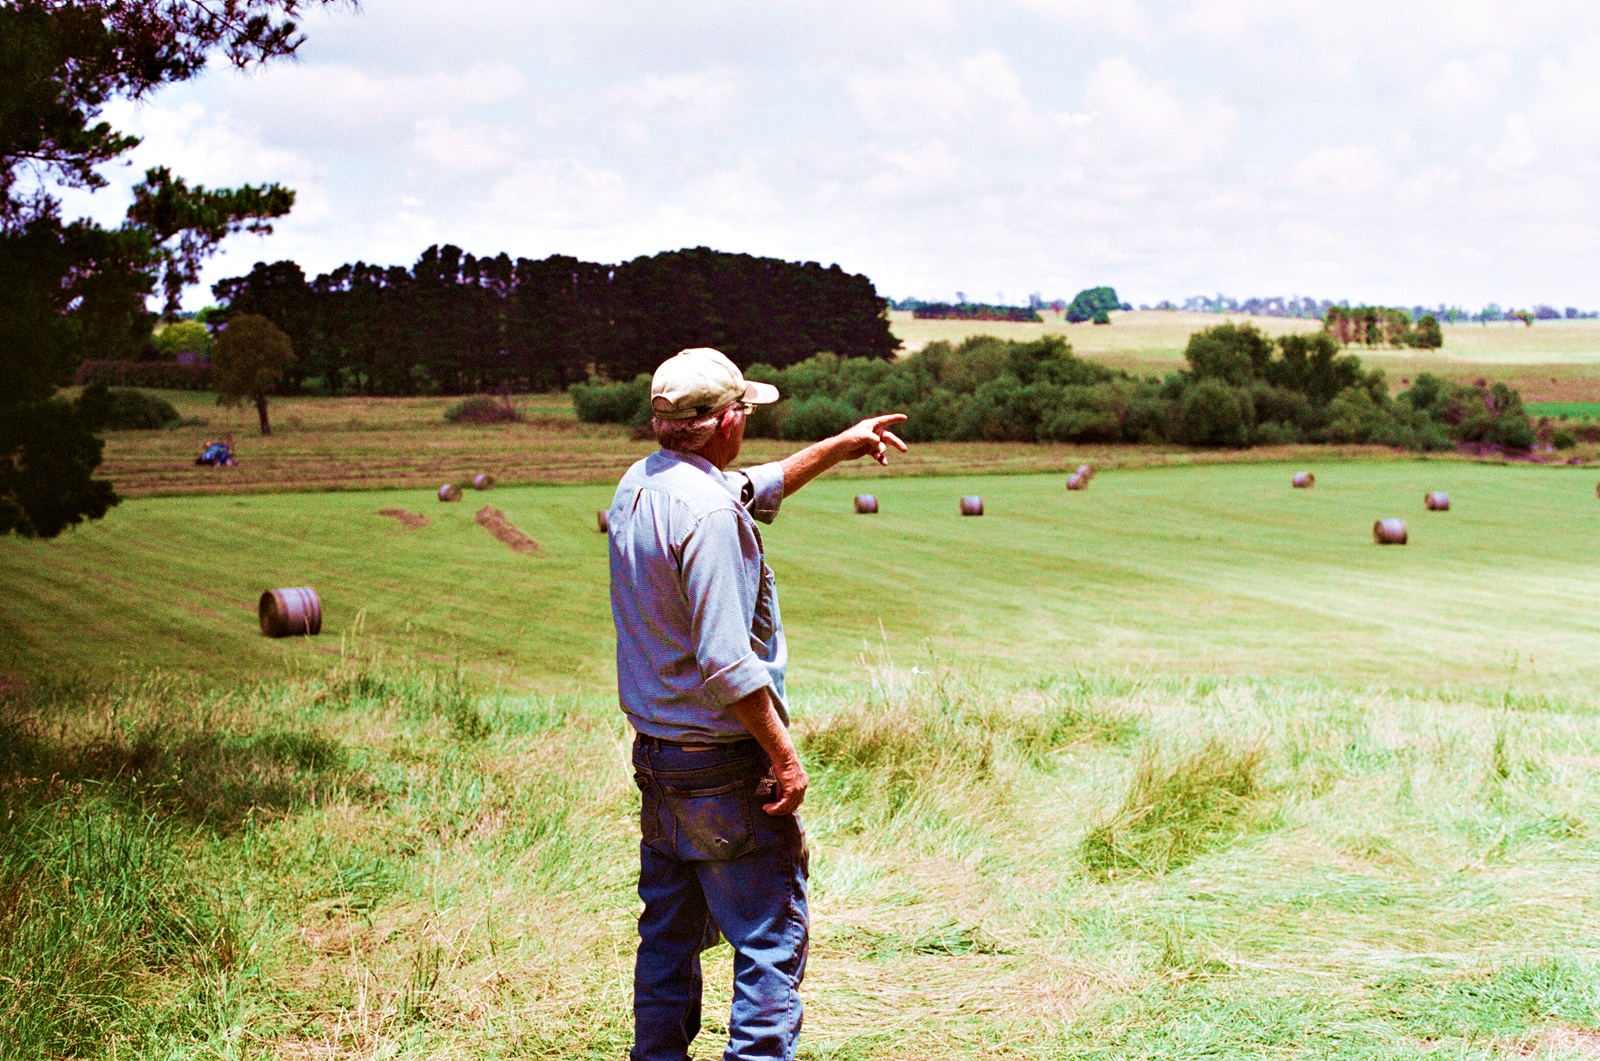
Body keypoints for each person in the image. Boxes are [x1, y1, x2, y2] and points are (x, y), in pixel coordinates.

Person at [608, 347, 907, 1061]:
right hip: (720, 763)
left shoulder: (642, 484)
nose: (748, 422)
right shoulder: (709, 512)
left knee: (668, 939)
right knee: (770, 942)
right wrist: (783, 753)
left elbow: (756, 485)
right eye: (744, 410)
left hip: (659, 757)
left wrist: (841, 445)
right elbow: (726, 660)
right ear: (725, 421)